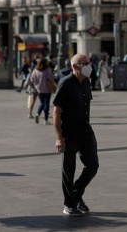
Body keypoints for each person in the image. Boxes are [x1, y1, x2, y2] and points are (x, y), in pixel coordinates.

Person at [52, 53, 99, 217]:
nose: (89, 65)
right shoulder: (66, 84)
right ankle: (69, 204)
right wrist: (59, 137)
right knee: (69, 170)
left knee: (93, 165)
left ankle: (76, 195)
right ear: (75, 66)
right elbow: (56, 111)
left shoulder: (86, 82)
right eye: (85, 63)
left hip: (85, 131)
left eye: (89, 62)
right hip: (70, 133)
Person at [30, 58, 55, 125]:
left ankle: (38, 113)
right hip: (47, 89)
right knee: (46, 104)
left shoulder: (35, 70)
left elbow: (32, 79)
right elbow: (51, 78)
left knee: (42, 103)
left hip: (39, 90)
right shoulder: (47, 69)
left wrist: (36, 85)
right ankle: (46, 120)